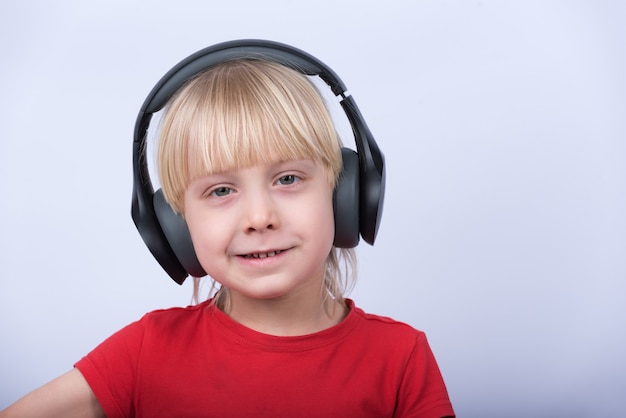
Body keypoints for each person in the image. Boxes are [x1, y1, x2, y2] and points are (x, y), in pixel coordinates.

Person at [0, 40, 454, 417]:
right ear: (174, 226)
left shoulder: (401, 357)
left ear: (345, 195)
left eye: (288, 179)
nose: (259, 218)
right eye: (220, 191)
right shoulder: (146, 352)